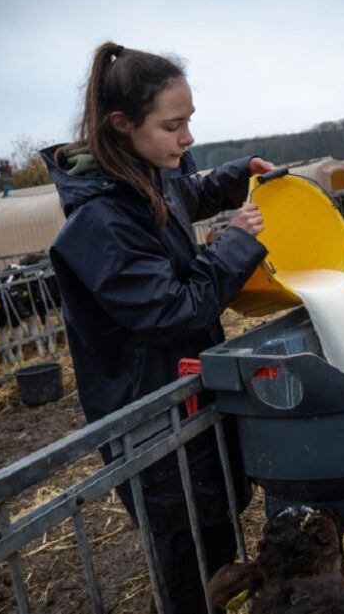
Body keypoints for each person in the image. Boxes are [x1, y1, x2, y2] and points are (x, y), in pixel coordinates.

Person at [42, 41, 274, 613]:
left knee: (216, 529)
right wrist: (234, 244)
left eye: (189, 121)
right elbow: (173, 310)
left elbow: (187, 193)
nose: (188, 137)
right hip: (148, 408)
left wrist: (235, 178)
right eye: (174, 125)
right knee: (186, 548)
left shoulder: (149, 172)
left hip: (185, 393)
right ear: (123, 124)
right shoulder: (100, 219)